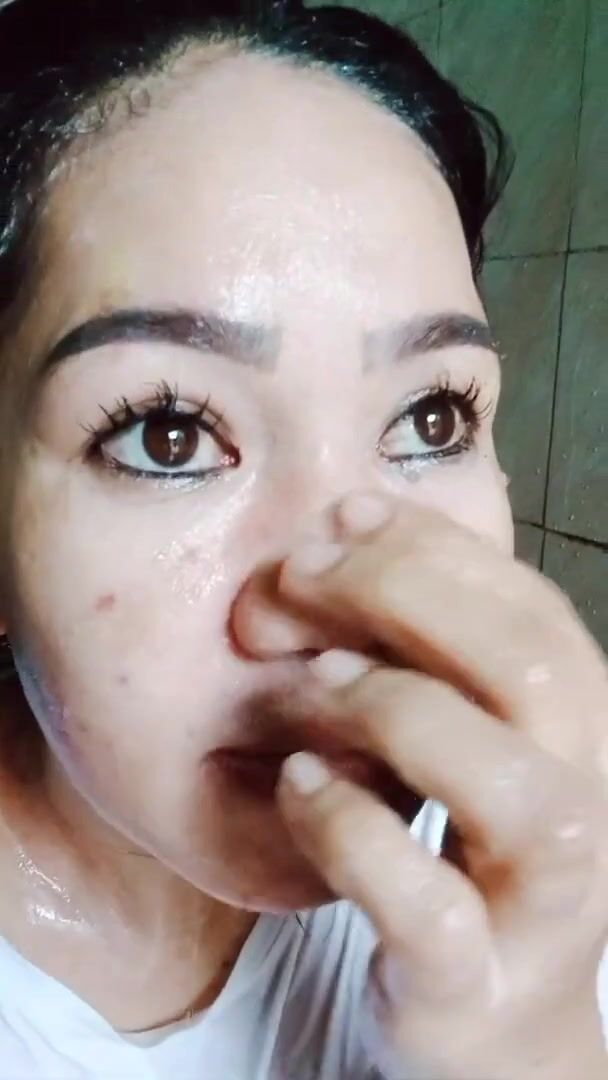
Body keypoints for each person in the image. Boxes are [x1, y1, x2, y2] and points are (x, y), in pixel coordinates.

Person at [0, 0, 606, 1076]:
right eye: (168, 434)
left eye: (431, 419)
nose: (343, 600)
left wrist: (536, 1046)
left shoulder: (549, 866)